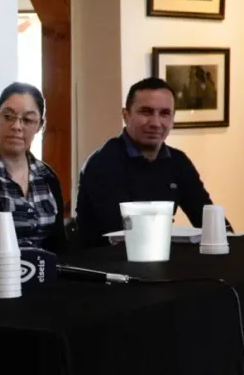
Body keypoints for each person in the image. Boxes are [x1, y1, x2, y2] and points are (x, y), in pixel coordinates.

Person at [74, 77, 226, 248]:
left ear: (173, 119)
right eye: (146, 112)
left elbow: (209, 220)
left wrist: (225, 239)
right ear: (126, 115)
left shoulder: (178, 161)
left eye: (165, 113)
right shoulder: (103, 163)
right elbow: (123, 233)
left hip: (158, 256)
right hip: (106, 260)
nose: (155, 123)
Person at [0, 81, 68, 253]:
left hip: (46, 269)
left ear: (39, 126)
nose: (16, 126)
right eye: (8, 117)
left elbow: (60, 245)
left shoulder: (47, 176)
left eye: (27, 120)